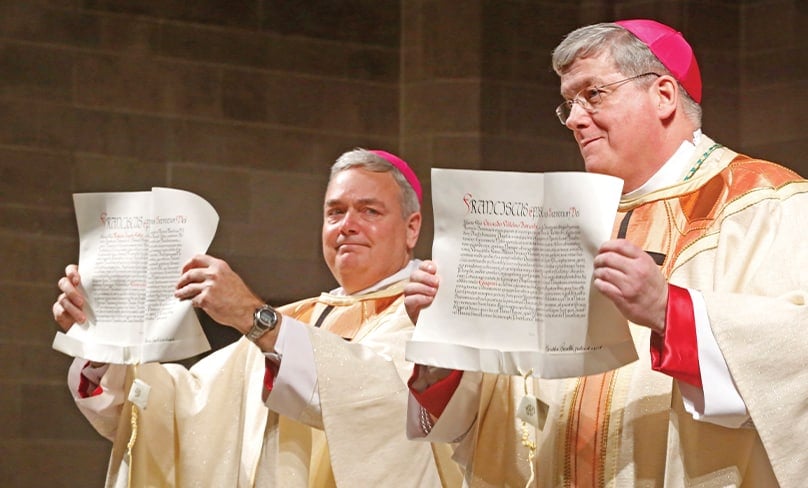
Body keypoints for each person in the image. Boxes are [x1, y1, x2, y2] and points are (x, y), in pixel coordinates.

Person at [404, 19, 808, 487]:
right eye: (568, 104)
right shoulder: (565, 221)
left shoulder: (771, 202)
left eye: (593, 94)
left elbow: (795, 355)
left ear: (663, 95)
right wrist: (446, 336)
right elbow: (508, 411)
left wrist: (668, 312)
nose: (575, 119)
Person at [52, 148, 461, 487]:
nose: (347, 226)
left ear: (411, 229)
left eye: (369, 211)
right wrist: (103, 337)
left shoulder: (426, 316)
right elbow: (184, 407)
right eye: (335, 212)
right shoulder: (298, 318)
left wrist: (252, 316)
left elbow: (381, 400)